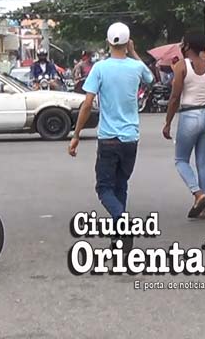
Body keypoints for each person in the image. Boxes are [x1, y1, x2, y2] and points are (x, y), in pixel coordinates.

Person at [68, 22, 153, 253]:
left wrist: (76, 135)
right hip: (130, 139)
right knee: (120, 186)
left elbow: (87, 104)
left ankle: (122, 224)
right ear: (128, 42)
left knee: (104, 189)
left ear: (108, 42)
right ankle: (118, 241)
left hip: (108, 139)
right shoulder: (136, 68)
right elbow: (151, 78)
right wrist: (134, 52)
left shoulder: (100, 69)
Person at [162, 33, 205, 220]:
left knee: (181, 160)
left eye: (183, 43)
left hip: (190, 115)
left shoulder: (183, 66)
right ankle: (203, 209)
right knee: (203, 163)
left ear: (188, 45)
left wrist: (167, 123)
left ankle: (198, 194)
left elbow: (175, 97)